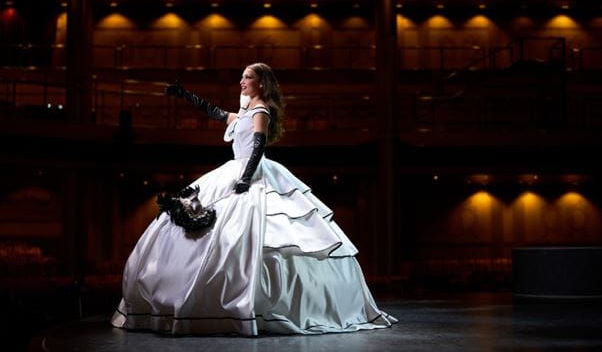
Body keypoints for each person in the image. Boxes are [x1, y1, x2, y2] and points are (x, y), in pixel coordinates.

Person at [110, 62, 397, 336]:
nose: (241, 81)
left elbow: (258, 144)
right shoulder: (242, 114)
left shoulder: (261, 110)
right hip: (234, 169)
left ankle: (262, 304)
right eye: (242, 77)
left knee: (257, 232)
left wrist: (246, 178)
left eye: (246, 77)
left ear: (260, 82)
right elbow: (213, 111)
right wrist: (184, 94)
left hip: (252, 172)